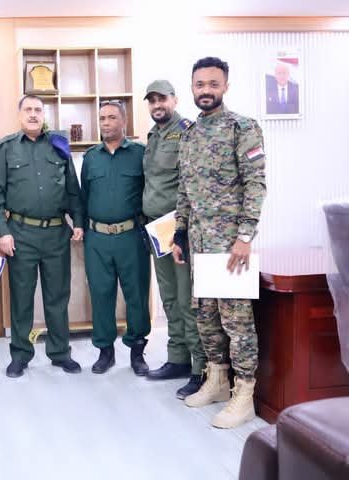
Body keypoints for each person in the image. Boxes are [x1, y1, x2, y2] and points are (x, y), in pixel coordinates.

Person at [173, 56, 266, 429]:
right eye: (200, 84)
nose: (206, 90)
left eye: (213, 84)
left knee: (237, 322)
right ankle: (217, 379)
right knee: (206, 317)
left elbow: (256, 184)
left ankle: (244, 395)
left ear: (225, 86)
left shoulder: (242, 127)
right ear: (192, 88)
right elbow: (184, 189)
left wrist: (245, 237)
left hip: (230, 247)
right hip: (199, 244)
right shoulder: (190, 134)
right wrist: (180, 233)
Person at [0, 95, 85, 378]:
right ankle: (20, 355)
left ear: (44, 115)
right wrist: (2, 233)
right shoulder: (5, 148)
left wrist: (78, 221)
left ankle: (60, 353)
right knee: (22, 298)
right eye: (28, 110)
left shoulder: (58, 145)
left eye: (38, 110)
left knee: (58, 297)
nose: (33, 114)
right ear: (20, 115)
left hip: (56, 233)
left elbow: (72, 189)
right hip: (20, 234)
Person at [141, 80, 207, 399]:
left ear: (174, 100)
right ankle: (177, 359)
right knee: (168, 298)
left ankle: (199, 368)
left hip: (179, 230)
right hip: (157, 230)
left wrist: (181, 229)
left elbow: (191, 184)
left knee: (186, 299)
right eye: (152, 100)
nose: (157, 105)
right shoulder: (153, 136)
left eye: (162, 99)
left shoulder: (187, 132)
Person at [80, 100, 151, 376]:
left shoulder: (139, 154)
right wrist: (81, 228)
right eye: (102, 118)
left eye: (112, 117)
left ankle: (137, 351)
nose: (106, 123)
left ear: (124, 121)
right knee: (101, 295)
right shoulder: (91, 157)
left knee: (136, 294)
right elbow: (83, 196)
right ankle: (105, 352)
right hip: (97, 238)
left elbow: (149, 192)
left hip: (131, 236)